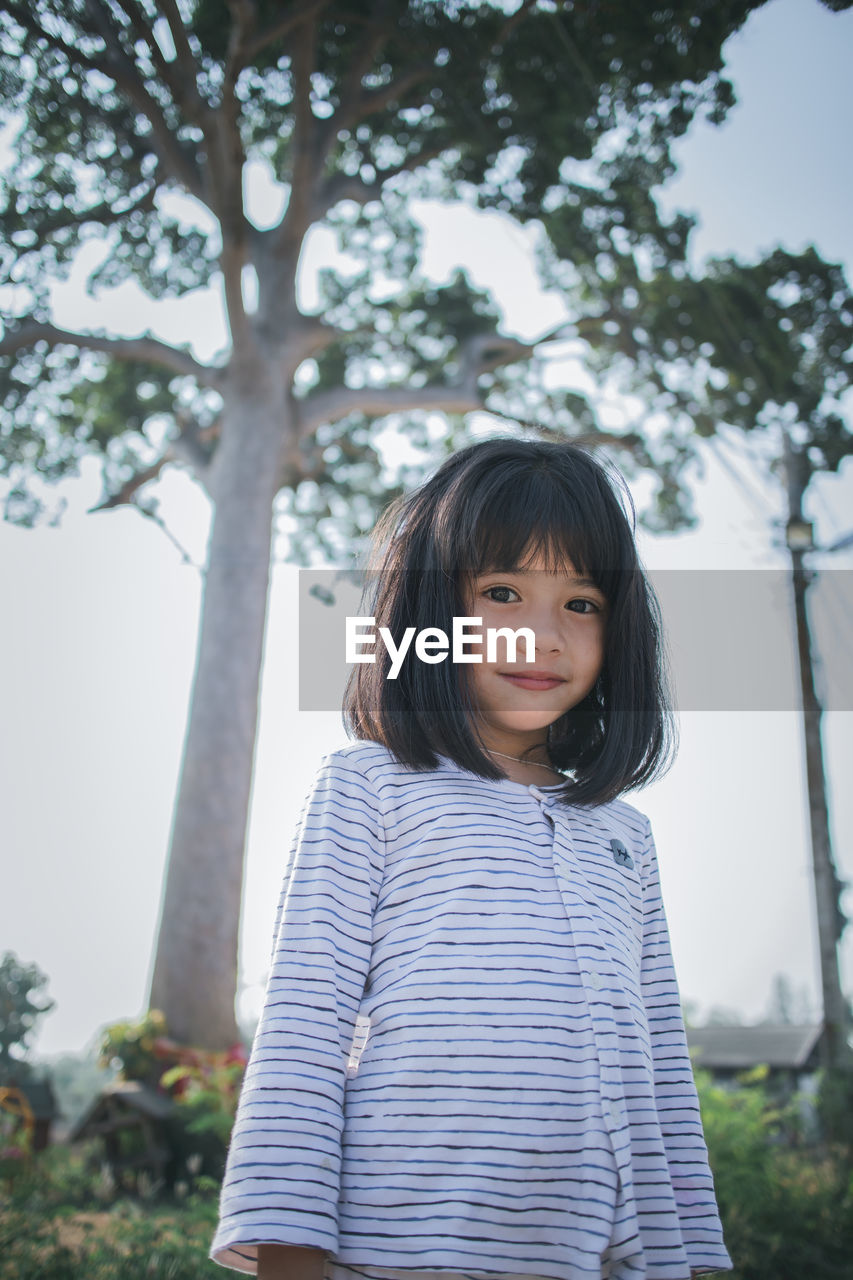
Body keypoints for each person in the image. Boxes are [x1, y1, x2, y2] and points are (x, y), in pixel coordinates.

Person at [210, 437, 732, 1280]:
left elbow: (660, 1072)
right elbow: (305, 1033)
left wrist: (690, 1258)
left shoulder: (622, 836)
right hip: (396, 1249)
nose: (542, 635)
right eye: (500, 593)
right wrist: (289, 1253)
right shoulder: (371, 788)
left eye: (582, 602)